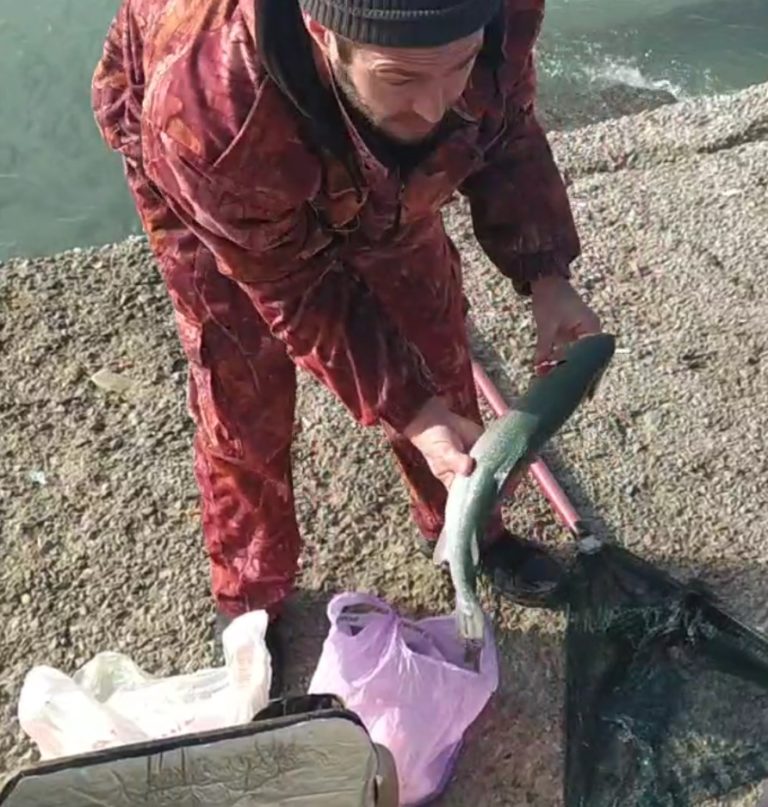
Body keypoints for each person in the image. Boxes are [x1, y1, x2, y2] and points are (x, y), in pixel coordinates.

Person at [91, 0, 600, 696]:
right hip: (214, 172)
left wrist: (547, 273)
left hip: (363, 146)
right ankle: (249, 592)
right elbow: (293, 288)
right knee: (242, 383)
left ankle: (464, 526)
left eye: (458, 65)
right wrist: (406, 407)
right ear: (322, 32)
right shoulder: (209, 117)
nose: (434, 106)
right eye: (402, 77)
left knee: (432, 337)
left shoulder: (497, 18)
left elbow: (501, 124)